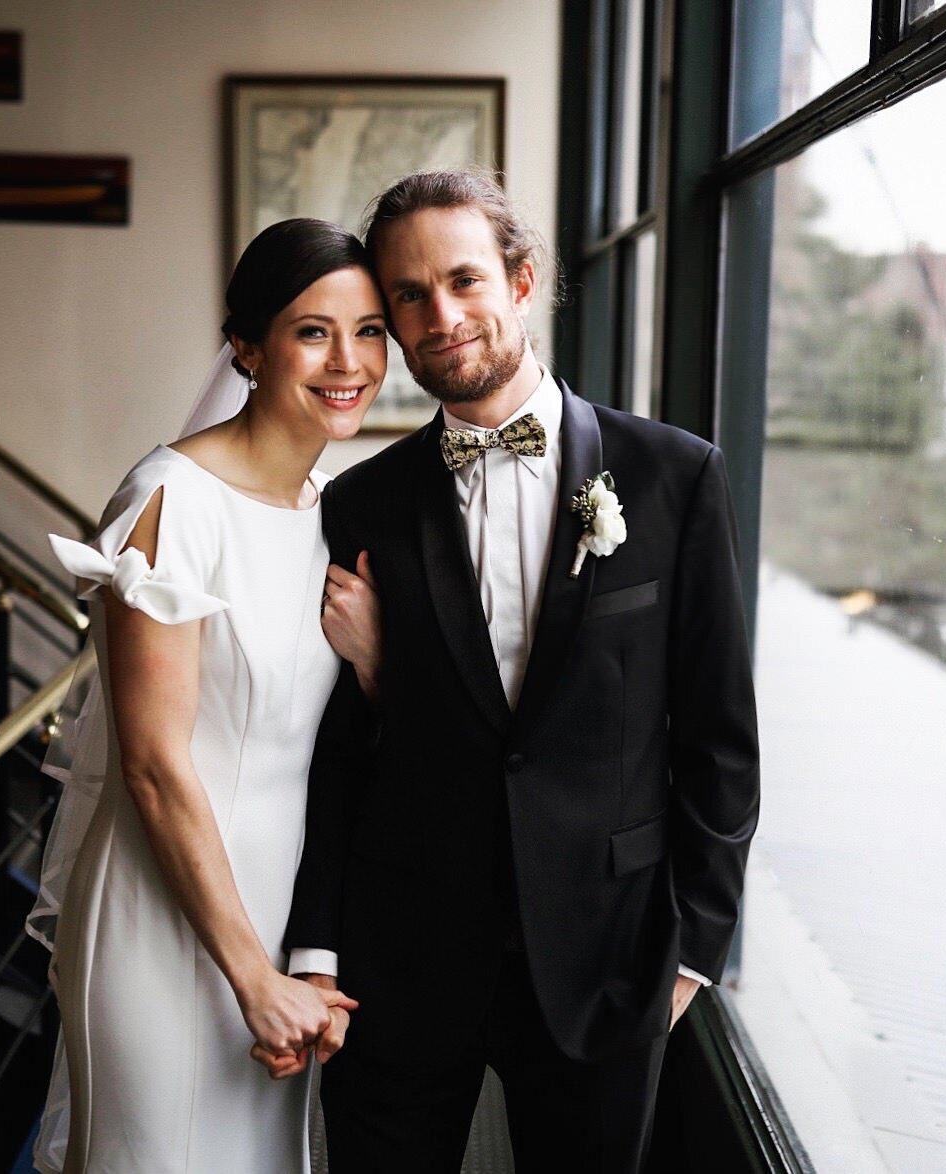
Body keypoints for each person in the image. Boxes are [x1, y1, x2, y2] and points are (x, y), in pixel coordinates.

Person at [279, 171, 761, 1173]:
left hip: (607, 960)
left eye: (463, 280)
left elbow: (718, 739)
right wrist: (316, 944)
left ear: (523, 280)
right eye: (408, 295)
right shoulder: (357, 505)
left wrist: (692, 953)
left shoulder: (674, 477)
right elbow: (331, 751)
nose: (440, 315)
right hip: (402, 960)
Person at [24, 218, 387, 1173]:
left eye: (371, 330)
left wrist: (304, 958)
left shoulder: (329, 510)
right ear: (246, 346)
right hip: (164, 911)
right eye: (313, 331)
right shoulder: (170, 501)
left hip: (282, 914)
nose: (348, 361)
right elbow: (150, 766)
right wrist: (251, 976)